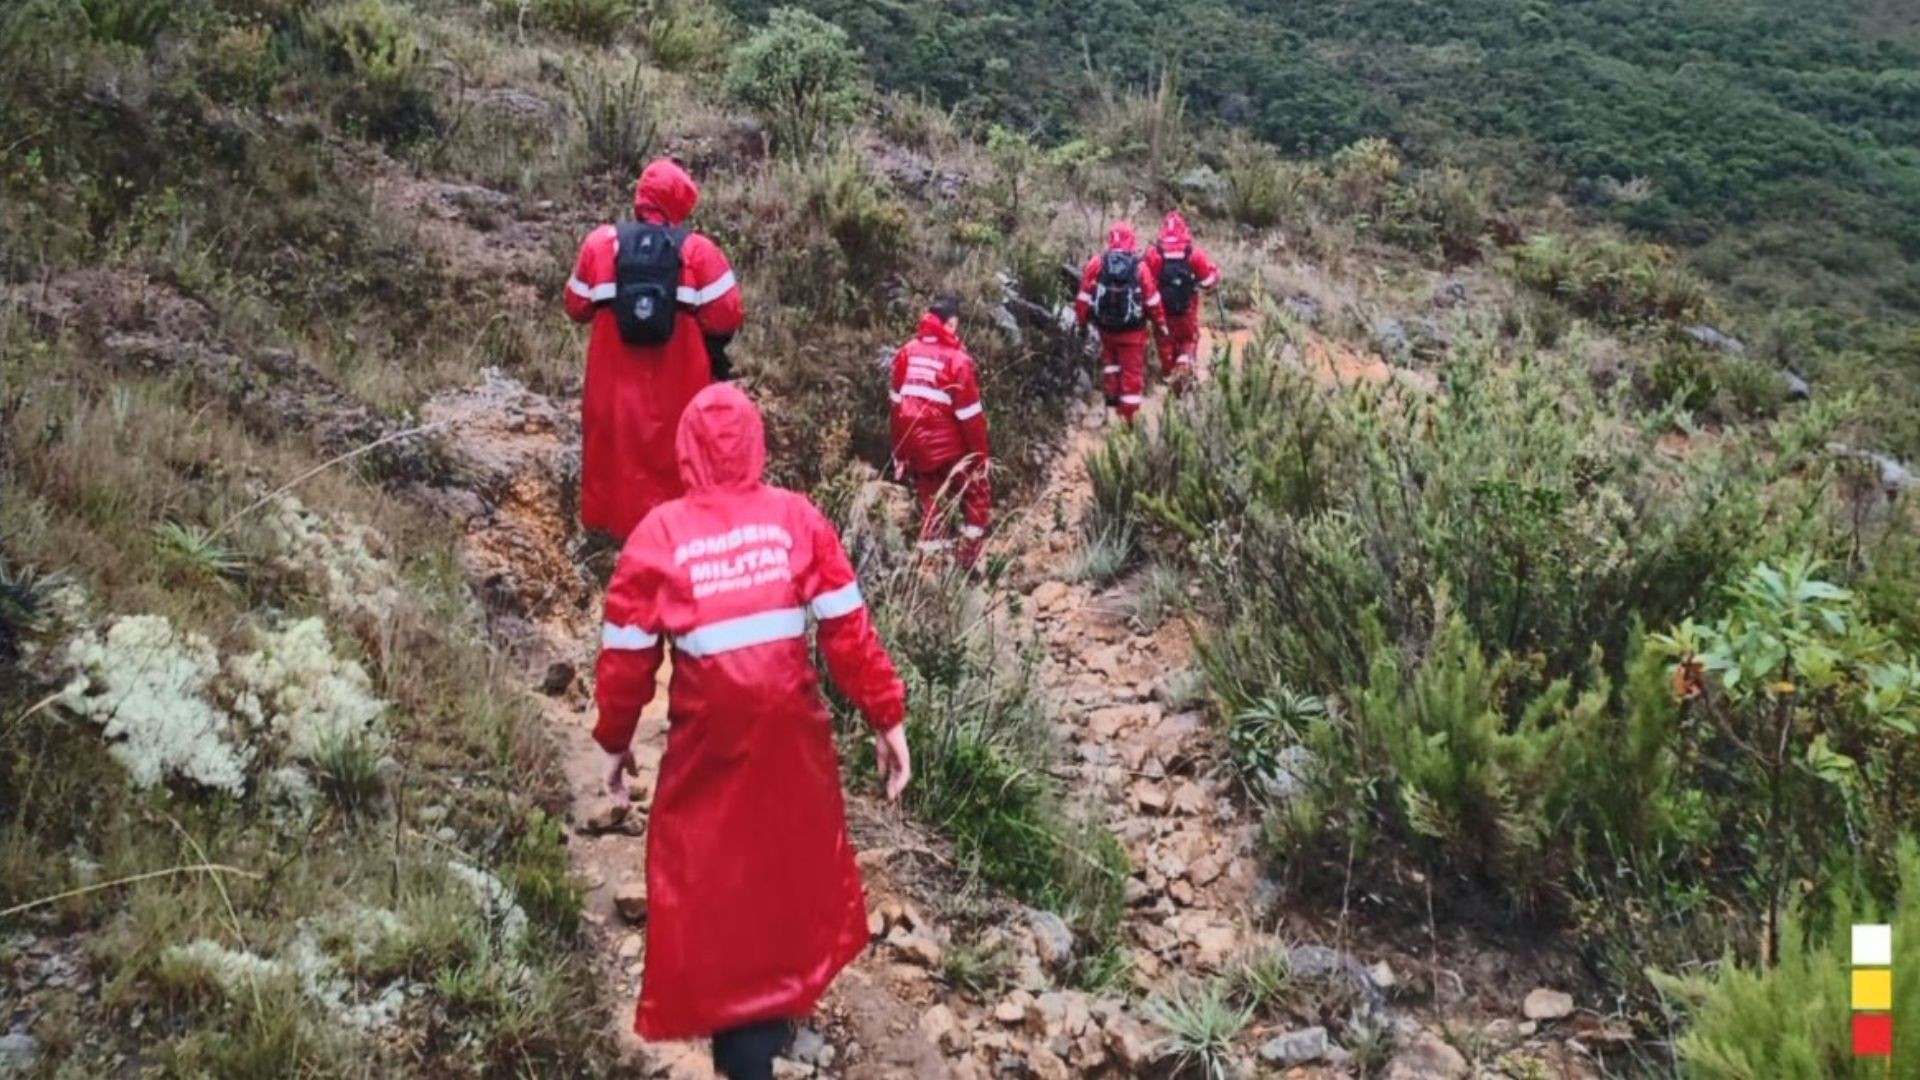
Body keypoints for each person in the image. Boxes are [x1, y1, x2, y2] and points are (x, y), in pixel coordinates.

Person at [592, 383, 912, 1080]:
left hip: (707, 751)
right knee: (787, 871)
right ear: (756, 445)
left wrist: (615, 744)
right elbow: (848, 632)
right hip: (793, 745)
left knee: (711, 884)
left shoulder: (659, 536)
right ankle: (774, 1011)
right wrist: (887, 717)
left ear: (686, 452)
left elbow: (625, 659)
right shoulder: (795, 520)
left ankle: (745, 1038)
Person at [565, 158, 744, 541]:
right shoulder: (699, 252)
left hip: (612, 392)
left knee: (614, 465)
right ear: (680, 202)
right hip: (680, 388)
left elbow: (575, 306)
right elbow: (727, 316)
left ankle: (611, 550)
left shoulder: (599, 245)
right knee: (677, 468)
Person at [889, 296, 992, 567]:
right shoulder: (958, 361)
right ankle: (968, 560)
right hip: (949, 449)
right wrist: (981, 458)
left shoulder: (907, 352)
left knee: (931, 501)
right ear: (952, 323)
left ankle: (932, 567)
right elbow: (971, 418)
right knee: (976, 492)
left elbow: (896, 407)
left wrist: (900, 453)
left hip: (916, 446)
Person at [1075, 222, 1169, 423]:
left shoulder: (1097, 263)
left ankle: (1110, 414)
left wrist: (1082, 322)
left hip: (1106, 329)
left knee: (1111, 368)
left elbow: (1083, 298)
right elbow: (1152, 300)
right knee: (1131, 375)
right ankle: (1129, 422)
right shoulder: (1140, 267)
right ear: (1131, 240)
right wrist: (1160, 323)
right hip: (1133, 333)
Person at [1145, 211, 1221, 391]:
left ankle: (1168, 378)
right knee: (1189, 339)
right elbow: (1208, 281)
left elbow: (1144, 282)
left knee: (1165, 343)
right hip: (1187, 311)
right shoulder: (1193, 254)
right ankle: (1184, 373)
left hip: (1162, 312)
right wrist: (1216, 273)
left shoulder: (1154, 254)